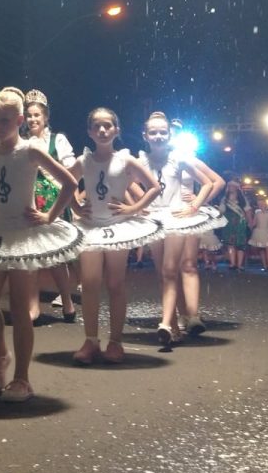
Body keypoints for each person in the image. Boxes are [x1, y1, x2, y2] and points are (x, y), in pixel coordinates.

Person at [0, 89, 84, 402]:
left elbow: (69, 182)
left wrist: (49, 216)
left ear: (19, 120)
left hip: (22, 235)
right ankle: (0, 354)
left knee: (21, 308)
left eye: (4, 120)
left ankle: (22, 378)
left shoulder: (32, 150)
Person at [68, 107, 162, 365]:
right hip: (90, 228)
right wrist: (76, 206)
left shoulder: (125, 160)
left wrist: (133, 208)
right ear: (89, 132)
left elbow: (154, 187)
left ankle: (116, 341)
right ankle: (91, 340)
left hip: (117, 228)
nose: (102, 130)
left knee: (115, 284)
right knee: (89, 283)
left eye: (107, 125)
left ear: (116, 130)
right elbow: (65, 183)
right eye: (97, 126)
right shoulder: (83, 161)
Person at [136, 112, 222, 347]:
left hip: (180, 216)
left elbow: (213, 182)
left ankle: (188, 317)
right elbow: (126, 181)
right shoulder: (142, 160)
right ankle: (173, 322)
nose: (159, 136)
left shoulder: (182, 158)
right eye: (153, 132)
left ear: (171, 135)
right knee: (163, 272)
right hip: (156, 218)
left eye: (164, 132)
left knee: (181, 267)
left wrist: (195, 204)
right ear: (145, 135)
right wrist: (139, 205)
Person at [23, 89, 78, 325]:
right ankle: (33, 306)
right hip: (29, 201)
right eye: (29, 115)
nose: (32, 119)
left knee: (56, 257)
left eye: (37, 115)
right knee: (30, 255)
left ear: (45, 117)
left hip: (54, 202)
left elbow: (71, 170)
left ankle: (67, 300)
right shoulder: (22, 142)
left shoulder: (58, 141)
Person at [219, 180, 253, 272]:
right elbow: (221, 211)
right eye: (229, 186)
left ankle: (240, 265)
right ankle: (232, 263)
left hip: (240, 223)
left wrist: (250, 222)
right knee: (230, 244)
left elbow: (248, 210)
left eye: (232, 186)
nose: (230, 187)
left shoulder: (242, 199)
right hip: (229, 223)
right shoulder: (225, 199)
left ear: (237, 187)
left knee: (240, 244)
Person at [248, 198, 268, 272]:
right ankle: (265, 266)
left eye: (262, 204)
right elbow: (254, 223)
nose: (261, 205)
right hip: (259, 232)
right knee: (261, 250)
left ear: (266, 204)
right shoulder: (257, 212)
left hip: (267, 232)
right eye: (259, 204)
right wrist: (250, 223)